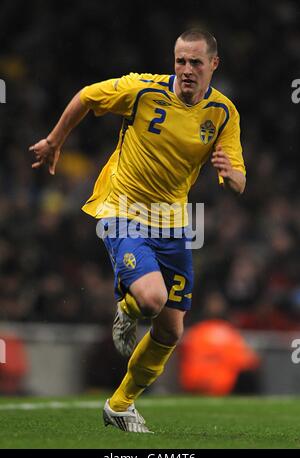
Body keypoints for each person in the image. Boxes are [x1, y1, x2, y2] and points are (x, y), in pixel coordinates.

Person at [29, 29, 246, 433]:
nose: (185, 70)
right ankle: (127, 309)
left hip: (173, 223)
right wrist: (55, 141)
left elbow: (239, 183)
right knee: (150, 299)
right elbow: (87, 97)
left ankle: (120, 405)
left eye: (195, 62)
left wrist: (230, 174)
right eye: (180, 61)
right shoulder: (142, 90)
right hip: (122, 208)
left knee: (171, 329)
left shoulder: (224, 114)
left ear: (213, 65)